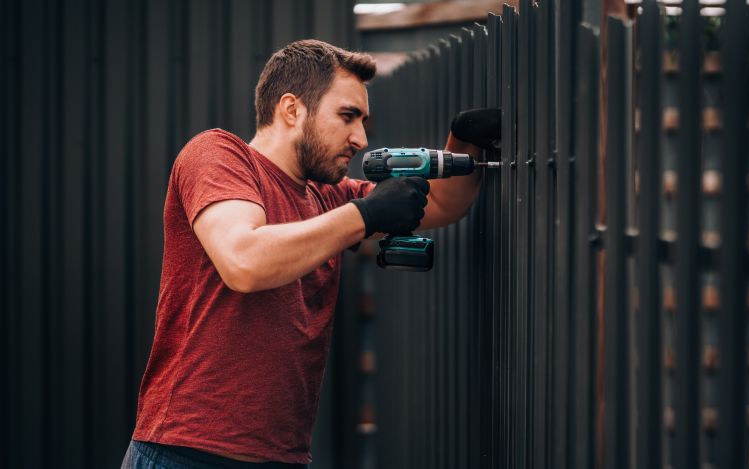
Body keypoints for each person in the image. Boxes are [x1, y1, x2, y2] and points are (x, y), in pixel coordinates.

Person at [121, 39, 498, 468]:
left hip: (282, 457)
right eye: (347, 116)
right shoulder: (218, 156)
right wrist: (364, 215)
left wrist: (465, 142)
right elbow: (244, 262)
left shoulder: (327, 196)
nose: (359, 138)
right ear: (291, 109)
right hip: (186, 453)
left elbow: (444, 205)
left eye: (363, 121)